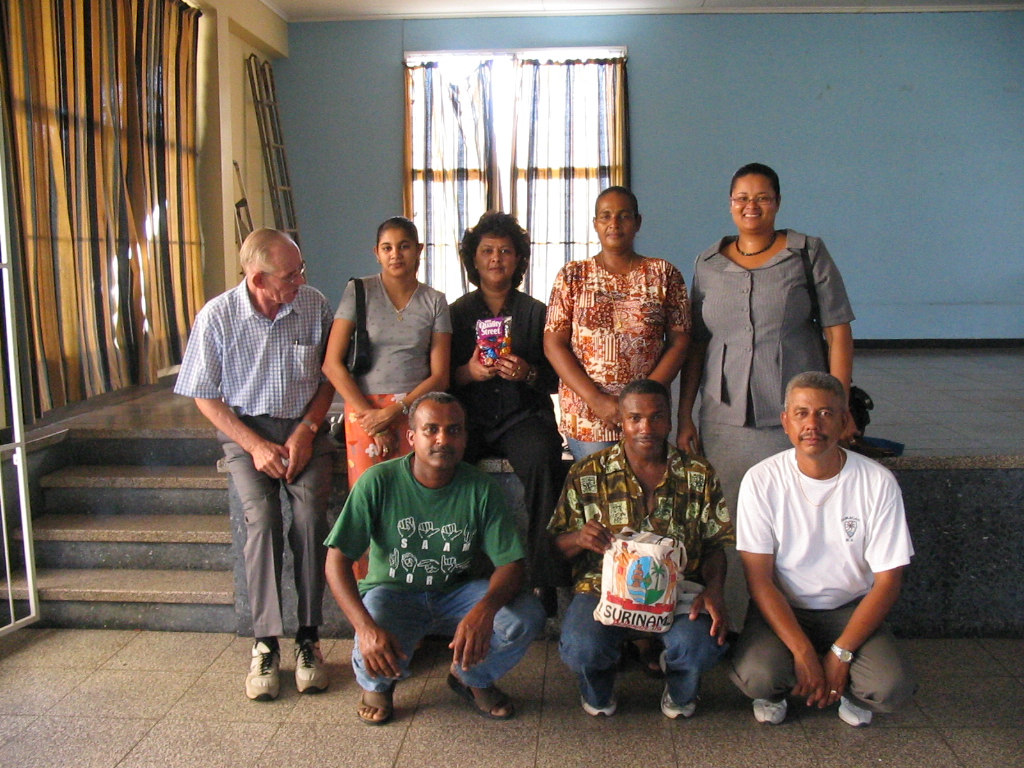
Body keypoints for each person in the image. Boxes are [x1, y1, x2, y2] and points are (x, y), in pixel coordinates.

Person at [174, 228, 335, 700]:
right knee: (262, 520)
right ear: (257, 277)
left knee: (308, 518)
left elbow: (329, 377)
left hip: (304, 427)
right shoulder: (218, 316)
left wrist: (306, 432)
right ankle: (266, 642)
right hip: (245, 432)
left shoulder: (313, 305)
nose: (301, 280)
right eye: (291, 274)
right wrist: (255, 446)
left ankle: (309, 637)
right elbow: (204, 395)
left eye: (301, 269)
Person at [324, 392, 546, 725]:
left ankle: (470, 679)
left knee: (525, 616)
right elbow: (336, 561)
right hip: (392, 592)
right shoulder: (378, 481)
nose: (443, 439)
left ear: (465, 437)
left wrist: (484, 611)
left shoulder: (480, 488)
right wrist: (364, 627)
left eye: (454, 430)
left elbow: (510, 565)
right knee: (374, 623)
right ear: (412, 437)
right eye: (431, 430)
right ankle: (378, 685)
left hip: (458, 594)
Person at [729, 372, 915, 727]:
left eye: (826, 414)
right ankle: (782, 687)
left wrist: (840, 654)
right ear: (785, 422)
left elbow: (888, 582)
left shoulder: (877, 482)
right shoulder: (761, 480)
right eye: (801, 413)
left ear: (845, 421)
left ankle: (846, 686)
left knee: (889, 687)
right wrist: (802, 652)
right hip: (785, 607)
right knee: (759, 676)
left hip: (849, 608)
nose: (812, 424)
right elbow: (759, 581)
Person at [677, 163, 856, 520]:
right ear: (730, 203)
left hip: (796, 414)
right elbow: (697, 344)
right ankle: (739, 580)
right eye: (742, 198)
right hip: (724, 418)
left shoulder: (807, 253)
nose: (751, 206)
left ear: (777, 202)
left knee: (797, 513)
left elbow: (838, 333)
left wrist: (840, 408)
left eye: (762, 198)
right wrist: (685, 415)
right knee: (731, 515)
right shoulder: (707, 263)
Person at [548, 379, 734, 719]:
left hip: (680, 590)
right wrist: (579, 538)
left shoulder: (699, 473)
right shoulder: (588, 472)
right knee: (581, 647)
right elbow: (553, 548)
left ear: (669, 421)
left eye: (656, 417)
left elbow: (714, 544)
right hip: (603, 591)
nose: (645, 427)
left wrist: (716, 590)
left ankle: (680, 693)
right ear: (621, 419)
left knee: (699, 644)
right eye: (635, 418)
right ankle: (598, 691)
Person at [322, 216, 451, 575]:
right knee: (366, 506)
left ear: (419, 251)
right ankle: (367, 602)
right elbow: (333, 364)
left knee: (414, 505)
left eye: (405, 246)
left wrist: (398, 410)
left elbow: (440, 374)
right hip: (363, 413)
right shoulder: (359, 292)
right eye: (387, 248)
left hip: (416, 414)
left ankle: (413, 593)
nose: (396, 255)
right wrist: (369, 416)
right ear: (376, 253)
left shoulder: (435, 301)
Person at [449, 211, 567, 603]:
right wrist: (468, 373)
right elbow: (440, 378)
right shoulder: (456, 314)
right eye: (487, 251)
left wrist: (528, 374)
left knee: (543, 459)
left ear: (519, 260)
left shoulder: (537, 312)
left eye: (505, 251)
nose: (496, 258)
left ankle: (544, 577)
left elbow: (557, 378)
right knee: (446, 465)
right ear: (473, 259)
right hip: (471, 420)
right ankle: (453, 573)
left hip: (524, 418)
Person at [545, 186, 690, 462]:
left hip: (648, 416)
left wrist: (641, 401)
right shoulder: (572, 276)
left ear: (638, 222)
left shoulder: (663, 274)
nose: (614, 224)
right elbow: (553, 343)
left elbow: (680, 341)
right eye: (606, 216)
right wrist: (596, 400)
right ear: (595, 224)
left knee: (648, 495)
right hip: (590, 415)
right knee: (600, 500)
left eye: (623, 216)